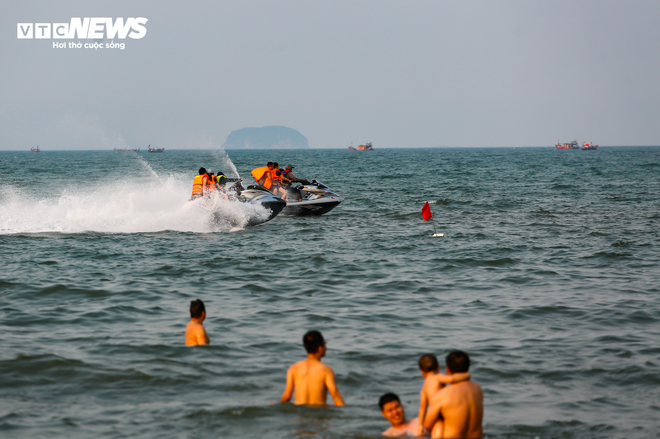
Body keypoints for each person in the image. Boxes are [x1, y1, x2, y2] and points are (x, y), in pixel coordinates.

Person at [423, 351, 483, 439]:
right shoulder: (477, 389)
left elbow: (427, 426)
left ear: (448, 370)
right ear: (468, 368)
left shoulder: (443, 395)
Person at [280, 330, 345, 406]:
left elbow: (287, 396)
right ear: (320, 348)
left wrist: (279, 404)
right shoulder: (326, 370)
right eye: (325, 344)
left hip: (300, 414)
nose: (326, 347)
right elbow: (335, 394)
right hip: (318, 413)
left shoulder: (294, 368)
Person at [417, 354, 471, 436]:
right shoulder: (438, 377)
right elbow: (451, 379)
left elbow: (423, 407)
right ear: (438, 367)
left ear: (421, 372)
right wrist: (466, 375)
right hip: (443, 410)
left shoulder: (424, 386)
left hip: (433, 414)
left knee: (438, 430)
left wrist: (420, 425)